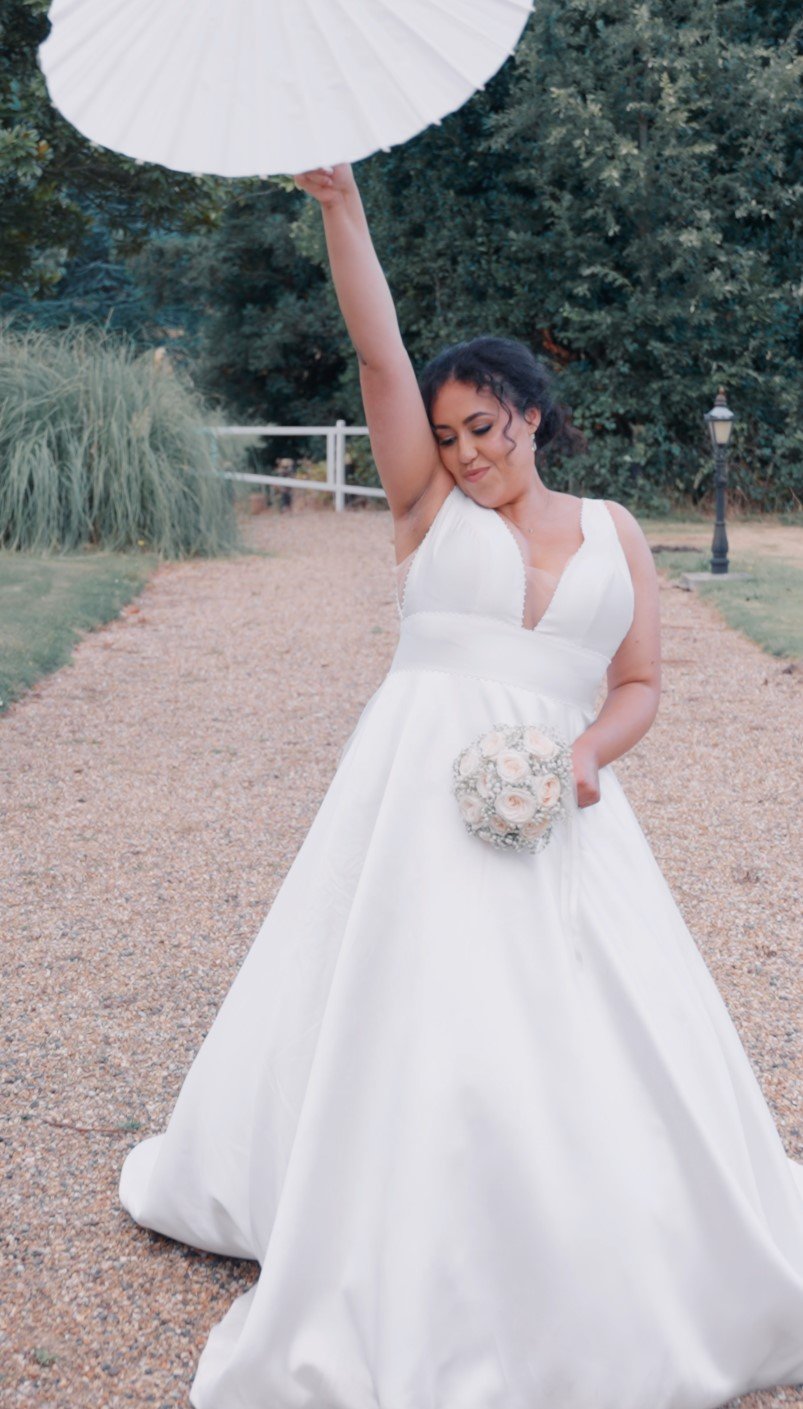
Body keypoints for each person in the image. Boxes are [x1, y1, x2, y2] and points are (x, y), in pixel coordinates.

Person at [119, 163, 803, 1409]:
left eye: (483, 427)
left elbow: (640, 680)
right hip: (413, 802)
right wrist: (343, 209)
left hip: (564, 811)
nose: (465, 451)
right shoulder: (424, 510)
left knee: (590, 1032)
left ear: (532, 416)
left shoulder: (614, 531)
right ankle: (389, 1231)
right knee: (407, 1013)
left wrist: (584, 753)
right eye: (446, 436)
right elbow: (379, 356)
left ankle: (596, 1244)